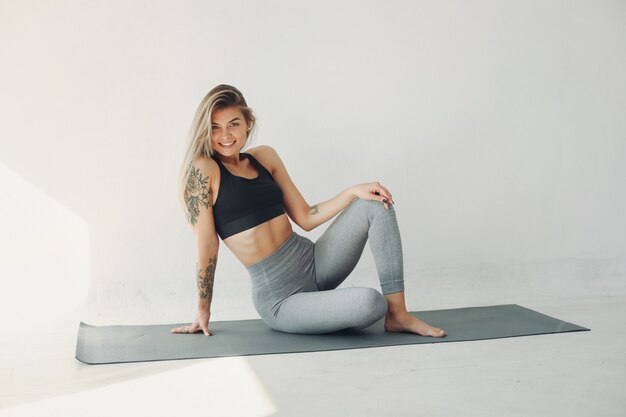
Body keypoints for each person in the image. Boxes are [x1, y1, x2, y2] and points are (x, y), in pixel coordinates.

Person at [170, 84, 446, 337]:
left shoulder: (264, 157)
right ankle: (370, 310)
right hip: (281, 299)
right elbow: (207, 244)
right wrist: (203, 310)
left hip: (315, 263)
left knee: (374, 202)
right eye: (215, 127)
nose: (225, 135)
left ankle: (398, 314)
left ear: (248, 124)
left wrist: (351, 192)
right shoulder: (204, 170)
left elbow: (304, 216)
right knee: (371, 303)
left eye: (233, 124)